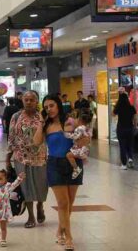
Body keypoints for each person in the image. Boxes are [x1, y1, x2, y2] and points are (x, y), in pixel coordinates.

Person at [33, 94, 89, 251]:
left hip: (73, 163)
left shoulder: (71, 122)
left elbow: (86, 139)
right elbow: (36, 142)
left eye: (51, 105)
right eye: (46, 107)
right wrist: (40, 123)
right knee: (62, 203)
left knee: (70, 202)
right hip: (55, 165)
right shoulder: (46, 126)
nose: (49, 109)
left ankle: (60, 230)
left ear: (58, 105)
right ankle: (69, 237)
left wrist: (81, 142)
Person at [6, 91, 48, 229]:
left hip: (40, 157)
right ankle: (31, 216)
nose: (29, 102)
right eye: (26, 99)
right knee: (26, 187)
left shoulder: (43, 116)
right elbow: (11, 137)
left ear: (37, 101)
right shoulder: (16, 116)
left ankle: (40, 205)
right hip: (21, 158)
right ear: (22, 101)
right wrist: (8, 158)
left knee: (41, 185)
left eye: (32, 100)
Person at [65, 109, 93, 179]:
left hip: (80, 149)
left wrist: (66, 134)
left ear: (80, 120)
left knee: (68, 155)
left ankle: (76, 169)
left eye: (76, 118)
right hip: (82, 148)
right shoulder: (85, 128)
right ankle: (82, 159)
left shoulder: (80, 128)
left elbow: (75, 136)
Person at [113, 93, 137, 169]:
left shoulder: (119, 107)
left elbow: (112, 114)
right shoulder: (131, 107)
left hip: (121, 129)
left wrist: (117, 104)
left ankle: (124, 164)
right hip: (130, 128)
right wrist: (135, 127)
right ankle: (130, 158)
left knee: (122, 146)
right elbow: (135, 118)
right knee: (130, 145)